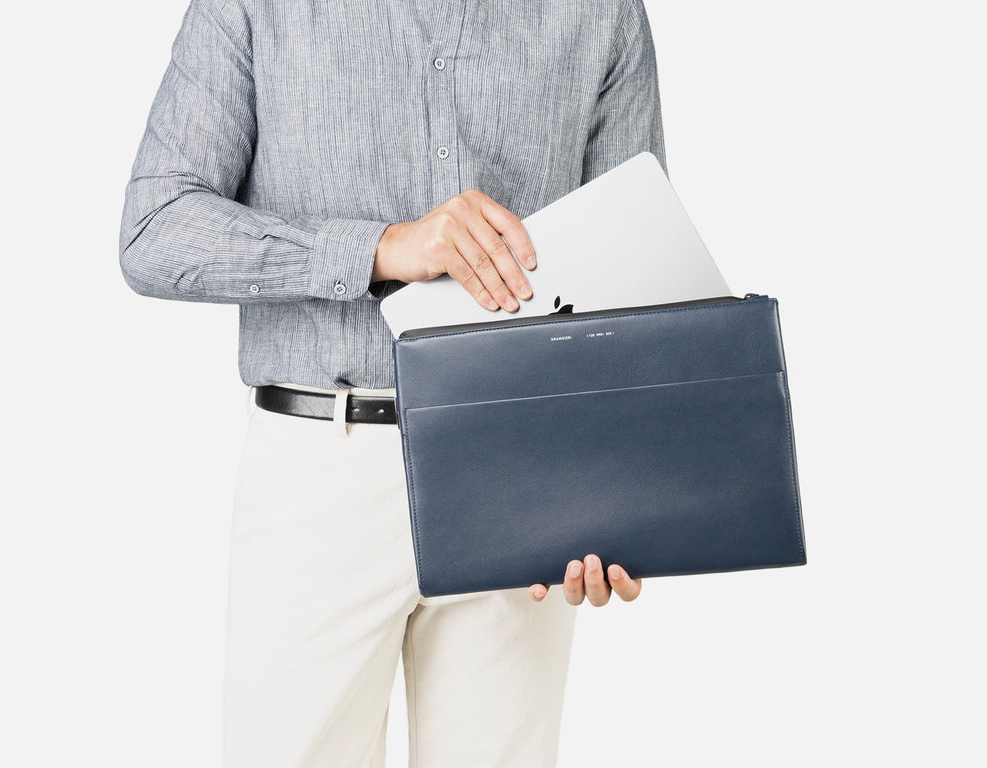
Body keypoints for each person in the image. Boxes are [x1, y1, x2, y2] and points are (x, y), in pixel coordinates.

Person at [119, 0, 666, 764]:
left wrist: (614, 493)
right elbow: (155, 228)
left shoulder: (599, 12)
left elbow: (628, 271)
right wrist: (379, 249)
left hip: (519, 471)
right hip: (319, 467)